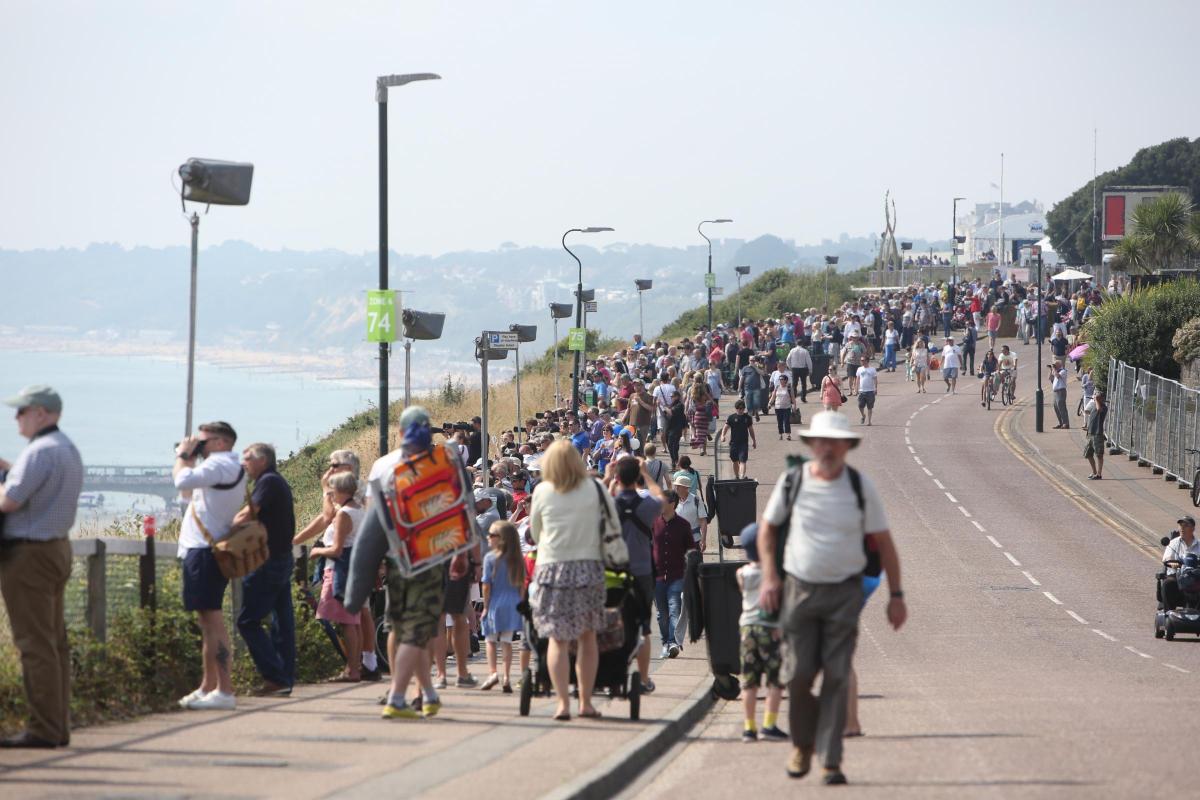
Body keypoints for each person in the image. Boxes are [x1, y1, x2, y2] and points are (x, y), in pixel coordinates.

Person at [757, 411, 906, 786]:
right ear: (811, 445)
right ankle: (803, 744)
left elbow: (885, 543)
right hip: (799, 589)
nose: (826, 447)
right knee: (798, 675)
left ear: (846, 446)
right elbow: (768, 531)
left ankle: (831, 759)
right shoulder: (792, 481)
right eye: (819, 441)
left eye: (834, 441)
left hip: (845, 592)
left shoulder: (859, 486)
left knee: (837, 675)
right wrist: (770, 577)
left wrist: (896, 595)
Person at [354, 405, 479, 721]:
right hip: (432, 558)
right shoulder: (443, 463)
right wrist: (462, 555)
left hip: (397, 559)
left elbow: (373, 523)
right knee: (417, 630)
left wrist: (365, 576)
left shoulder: (383, 467)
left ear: (399, 433)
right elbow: (460, 513)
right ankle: (398, 696)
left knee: (405, 626)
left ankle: (427, 694)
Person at [0, 386, 83, 748]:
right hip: (56, 548)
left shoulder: (39, 452)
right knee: (54, 642)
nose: (16, 418)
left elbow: (10, 502)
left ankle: (43, 729)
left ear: (42, 414)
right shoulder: (66, 449)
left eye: (22, 412)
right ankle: (57, 725)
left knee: (34, 643)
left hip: (29, 555)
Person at [528, 440, 614, 720]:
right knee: (588, 637)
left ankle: (562, 703)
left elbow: (535, 531)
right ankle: (586, 702)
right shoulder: (596, 488)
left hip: (552, 567)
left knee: (557, 639)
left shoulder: (542, 491)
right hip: (588, 566)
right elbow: (610, 525)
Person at [173, 420, 245, 711]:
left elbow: (180, 482)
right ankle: (208, 685)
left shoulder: (220, 465)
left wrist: (181, 456)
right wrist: (191, 459)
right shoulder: (224, 467)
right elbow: (187, 495)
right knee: (207, 623)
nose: (197, 447)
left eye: (202, 443)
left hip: (204, 551)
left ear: (220, 442)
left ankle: (225, 690)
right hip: (204, 551)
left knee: (213, 623)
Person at [234, 442, 297, 697]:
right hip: (281, 558)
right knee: (282, 622)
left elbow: (249, 513)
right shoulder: (275, 481)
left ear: (262, 460)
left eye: (247, 458)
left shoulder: (268, 482)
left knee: (247, 620)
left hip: (268, 561)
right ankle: (284, 678)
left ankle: (275, 676)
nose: (244, 463)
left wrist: (224, 529)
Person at [612, 457, 666, 685]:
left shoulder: (610, 504)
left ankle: (614, 669)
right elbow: (661, 497)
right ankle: (643, 678)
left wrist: (609, 479)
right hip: (642, 570)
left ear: (617, 478)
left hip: (614, 571)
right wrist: (646, 474)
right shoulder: (647, 505)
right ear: (637, 478)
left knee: (614, 622)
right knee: (644, 627)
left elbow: (600, 501)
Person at [308, 471, 365, 682]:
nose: (331, 495)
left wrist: (317, 552)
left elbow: (337, 549)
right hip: (356, 569)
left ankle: (352, 669)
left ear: (342, 491)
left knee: (346, 622)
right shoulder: (359, 510)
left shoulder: (344, 514)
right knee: (354, 621)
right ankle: (355, 666)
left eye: (333, 491)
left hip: (340, 569)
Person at [736, 524, 787, 743]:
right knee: (775, 679)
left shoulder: (741, 574)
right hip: (769, 627)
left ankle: (749, 728)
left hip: (747, 628)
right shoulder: (775, 573)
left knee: (749, 680)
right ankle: (769, 724)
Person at [652, 490, 699, 659]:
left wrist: (694, 570)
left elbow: (692, 550)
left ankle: (673, 642)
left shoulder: (683, 525)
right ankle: (665, 642)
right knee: (661, 614)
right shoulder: (654, 523)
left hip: (677, 575)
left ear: (672, 504)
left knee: (674, 609)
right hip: (657, 576)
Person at [479, 520, 524, 693]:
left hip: (495, 603)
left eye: (491, 535)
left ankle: (493, 672)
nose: (488, 538)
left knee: (490, 640)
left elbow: (486, 585)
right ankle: (506, 676)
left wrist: (485, 606)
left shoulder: (491, 558)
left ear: (501, 538)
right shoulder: (517, 558)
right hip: (513, 602)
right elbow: (521, 585)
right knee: (506, 641)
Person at [1162, 516, 1200, 610]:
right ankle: (1168, 613)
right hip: (1177, 575)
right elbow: (1167, 558)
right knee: (1168, 584)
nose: (1182, 528)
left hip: (1195, 577)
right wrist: (1172, 563)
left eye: (1186, 525)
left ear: (1193, 528)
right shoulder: (1173, 543)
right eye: (1180, 525)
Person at [719, 399, 757, 479]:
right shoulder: (731, 418)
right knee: (735, 461)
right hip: (734, 443)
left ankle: (742, 476)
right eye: (739, 408)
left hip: (743, 443)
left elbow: (751, 430)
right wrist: (722, 435)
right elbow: (725, 427)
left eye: (742, 408)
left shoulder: (747, 418)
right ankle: (737, 476)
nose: (740, 410)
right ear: (736, 408)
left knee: (743, 460)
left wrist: (754, 440)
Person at [1083, 391, 1107, 480]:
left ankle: (1099, 474)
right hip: (1090, 433)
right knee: (1088, 454)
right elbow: (1086, 411)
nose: (1095, 398)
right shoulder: (1094, 405)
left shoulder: (1104, 408)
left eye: (1098, 397)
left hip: (1098, 434)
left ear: (1101, 399)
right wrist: (1094, 400)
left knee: (1099, 455)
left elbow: (1099, 410)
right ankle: (1094, 472)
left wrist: (1097, 400)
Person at [771, 374, 797, 442]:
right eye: (780, 379)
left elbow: (793, 398)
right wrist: (770, 403)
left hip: (786, 407)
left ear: (786, 380)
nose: (781, 381)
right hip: (778, 407)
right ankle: (780, 434)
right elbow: (773, 396)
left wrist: (794, 406)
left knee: (786, 421)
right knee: (779, 421)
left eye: (782, 379)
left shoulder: (789, 388)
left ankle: (788, 435)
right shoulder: (777, 387)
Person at [855, 357, 878, 426]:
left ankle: (869, 421)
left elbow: (875, 379)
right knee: (860, 405)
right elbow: (857, 379)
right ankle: (863, 415)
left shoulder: (872, 369)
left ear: (867, 361)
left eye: (863, 360)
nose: (861, 361)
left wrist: (875, 388)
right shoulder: (859, 369)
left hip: (870, 391)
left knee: (869, 407)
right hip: (862, 391)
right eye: (861, 360)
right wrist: (856, 388)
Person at [1051, 360, 1070, 429]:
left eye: (1055, 365)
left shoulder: (1063, 371)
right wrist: (1050, 370)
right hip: (1055, 392)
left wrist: (1054, 369)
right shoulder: (1056, 371)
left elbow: (1058, 376)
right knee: (1056, 407)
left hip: (1061, 391)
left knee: (1062, 407)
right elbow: (1050, 378)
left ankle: (1066, 423)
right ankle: (1061, 423)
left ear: (1059, 365)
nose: (1054, 366)